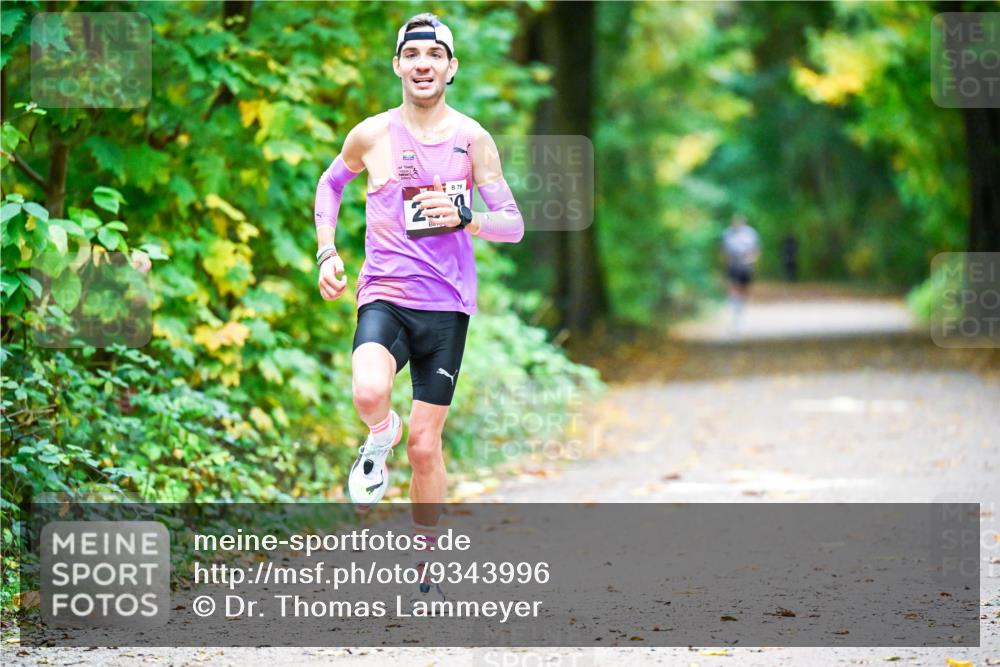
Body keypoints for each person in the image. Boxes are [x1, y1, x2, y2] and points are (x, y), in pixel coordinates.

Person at [312, 12, 524, 584]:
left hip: (448, 308)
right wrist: (326, 252)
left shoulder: (472, 141)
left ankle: (427, 554)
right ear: (399, 65)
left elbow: (513, 223)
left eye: (435, 56)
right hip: (384, 293)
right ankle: (380, 434)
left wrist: (469, 219)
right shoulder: (372, 134)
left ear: (450, 68)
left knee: (427, 447)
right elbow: (331, 185)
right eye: (413, 55)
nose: (423, 64)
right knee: (368, 389)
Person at [720, 214, 760, 331]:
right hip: (732, 264)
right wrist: (726, 262)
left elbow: (756, 249)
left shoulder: (750, 234)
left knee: (744, 288)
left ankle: (741, 308)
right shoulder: (727, 234)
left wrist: (752, 260)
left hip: (745, 265)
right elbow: (723, 250)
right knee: (732, 286)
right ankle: (735, 310)